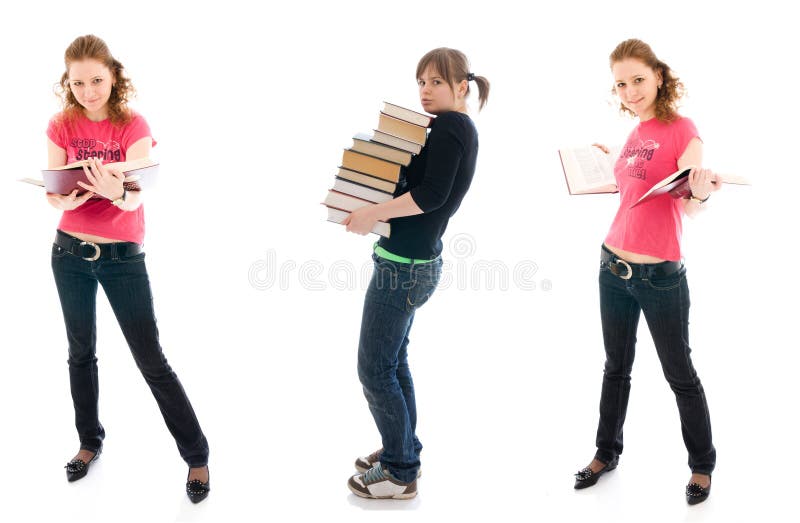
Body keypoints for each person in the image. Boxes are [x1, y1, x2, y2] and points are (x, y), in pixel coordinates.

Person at [46, 34, 210, 503]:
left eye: (96, 79)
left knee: (150, 359)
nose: (88, 90)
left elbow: (138, 190)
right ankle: (88, 443)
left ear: (113, 76)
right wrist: (62, 196)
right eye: (78, 82)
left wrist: (116, 193)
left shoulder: (132, 123)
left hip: (122, 258)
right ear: (68, 83)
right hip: (69, 254)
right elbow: (53, 191)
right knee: (81, 352)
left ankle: (196, 455)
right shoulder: (61, 123)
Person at [573, 39, 719, 505]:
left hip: (660, 278)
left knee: (680, 374)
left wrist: (699, 193)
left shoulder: (684, 130)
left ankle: (702, 465)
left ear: (659, 75)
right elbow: (632, 182)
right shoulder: (635, 135)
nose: (630, 91)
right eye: (620, 84)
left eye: (638, 79)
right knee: (615, 368)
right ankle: (605, 452)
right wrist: (609, 156)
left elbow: (690, 208)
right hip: (611, 266)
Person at [343, 48, 489, 499]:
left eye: (436, 83)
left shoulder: (451, 126)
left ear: (461, 86)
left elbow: (430, 196)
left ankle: (400, 471)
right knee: (393, 361)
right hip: (411, 260)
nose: (426, 91)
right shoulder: (450, 127)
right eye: (421, 82)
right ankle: (401, 447)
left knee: (374, 369)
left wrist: (372, 213)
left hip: (405, 268)